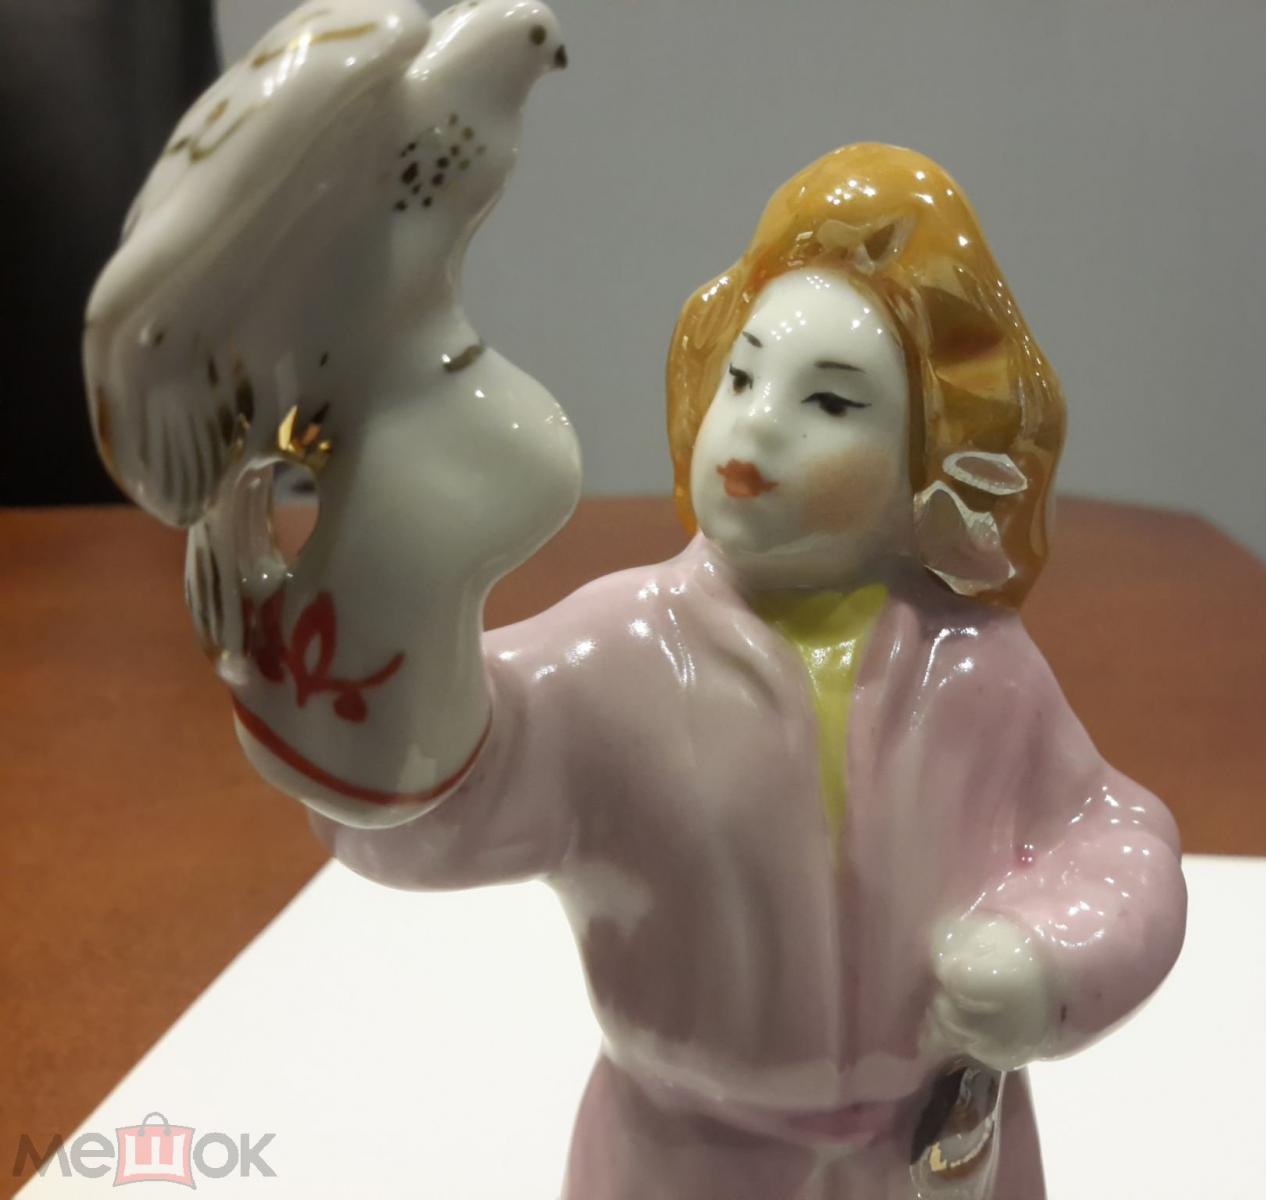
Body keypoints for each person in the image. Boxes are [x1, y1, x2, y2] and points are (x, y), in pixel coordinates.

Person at [243, 143, 1187, 1198]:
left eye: (831, 404)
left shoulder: (977, 667)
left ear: (930, 456)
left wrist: (1050, 960)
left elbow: (1113, 834)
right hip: (690, 1159)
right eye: (742, 376)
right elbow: (439, 799)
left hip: (935, 1154)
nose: (759, 422)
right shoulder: (617, 655)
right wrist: (381, 618)